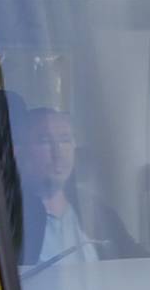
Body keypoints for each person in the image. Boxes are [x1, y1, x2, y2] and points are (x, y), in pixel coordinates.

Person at [12, 106, 140, 266]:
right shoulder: (9, 217)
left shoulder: (94, 210)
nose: (58, 153)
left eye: (65, 140)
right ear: (20, 152)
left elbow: (137, 261)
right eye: (45, 141)